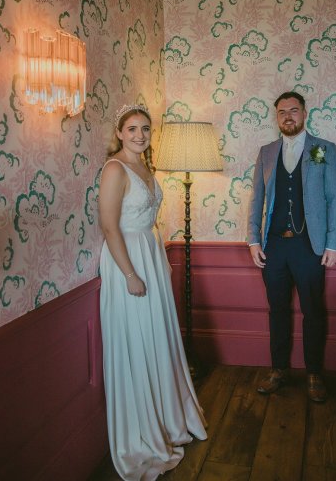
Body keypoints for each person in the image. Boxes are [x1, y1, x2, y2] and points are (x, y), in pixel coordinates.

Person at [99, 104, 207, 480]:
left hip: (149, 254)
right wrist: (130, 273)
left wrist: (155, 262)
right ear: (120, 132)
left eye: (145, 128)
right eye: (132, 129)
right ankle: (141, 430)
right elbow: (110, 226)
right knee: (138, 339)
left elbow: (147, 219)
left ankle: (167, 417)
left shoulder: (146, 167)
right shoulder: (114, 168)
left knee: (157, 337)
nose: (140, 135)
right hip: (126, 261)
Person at [248, 91, 336, 402]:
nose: (288, 116)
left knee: (313, 310)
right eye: (282, 112)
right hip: (273, 247)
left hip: (309, 247)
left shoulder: (321, 150)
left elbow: (333, 199)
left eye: (294, 110)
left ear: (305, 113)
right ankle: (278, 369)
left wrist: (332, 244)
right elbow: (257, 199)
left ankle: (314, 373)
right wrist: (252, 239)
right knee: (278, 310)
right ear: (276, 117)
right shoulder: (266, 152)